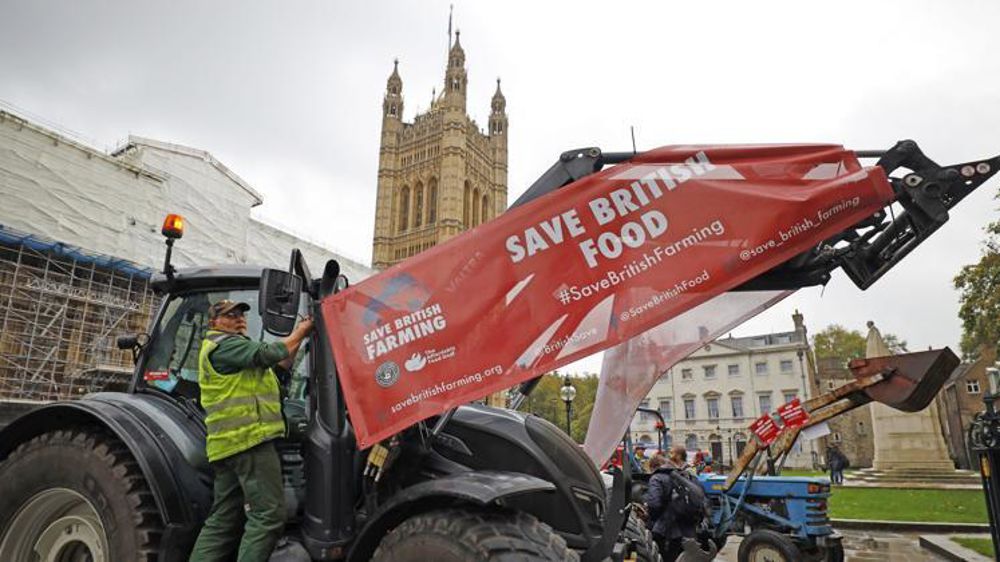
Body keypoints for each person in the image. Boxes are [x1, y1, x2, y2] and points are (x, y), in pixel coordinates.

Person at [189, 299, 313, 562]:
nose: (239, 319)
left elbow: (278, 366)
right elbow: (267, 354)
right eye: (230, 315)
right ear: (214, 323)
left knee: (223, 520)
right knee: (268, 516)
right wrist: (301, 331)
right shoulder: (226, 345)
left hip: (229, 446)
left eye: (242, 314)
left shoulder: (234, 352)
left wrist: (300, 337)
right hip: (249, 443)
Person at [644, 444, 707, 562]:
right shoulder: (685, 474)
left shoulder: (657, 478)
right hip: (689, 528)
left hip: (668, 530)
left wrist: (652, 520)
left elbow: (654, 504)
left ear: (653, 467)